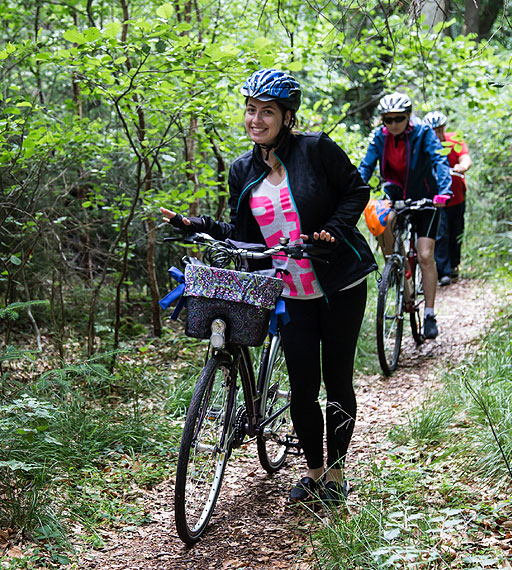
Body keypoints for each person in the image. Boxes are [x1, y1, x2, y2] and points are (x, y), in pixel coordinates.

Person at [161, 69, 377, 506]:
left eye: (267, 112)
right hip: (290, 292)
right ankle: (313, 473)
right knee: (302, 385)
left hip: (339, 283)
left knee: (337, 380)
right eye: (251, 110)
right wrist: (196, 225)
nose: (256, 120)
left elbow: (357, 190)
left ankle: (335, 475)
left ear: (287, 117)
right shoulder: (243, 169)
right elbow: (246, 235)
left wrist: (333, 230)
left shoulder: (315, 151)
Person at [358, 93, 452, 339]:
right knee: (382, 222)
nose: (393, 124)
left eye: (398, 119)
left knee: (424, 254)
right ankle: (396, 269)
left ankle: (430, 313)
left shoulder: (423, 133)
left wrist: (444, 191)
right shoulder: (380, 137)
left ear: (408, 118)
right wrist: (353, 190)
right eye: (387, 120)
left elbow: (439, 160)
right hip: (395, 195)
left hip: (427, 198)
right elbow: (366, 167)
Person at [423, 111, 473, 285]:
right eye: (433, 130)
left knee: (456, 230)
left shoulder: (454, 140)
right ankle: (442, 271)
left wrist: (462, 166)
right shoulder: (426, 144)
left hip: (457, 195)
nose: (436, 133)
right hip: (437, 198)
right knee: (441, 232)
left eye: (439, 129)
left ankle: (453, 265)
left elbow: (465, 157)